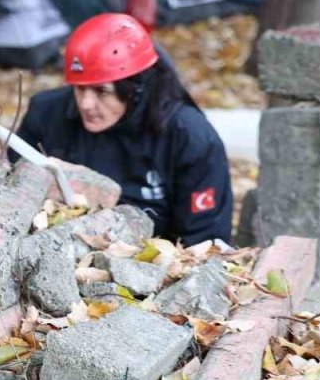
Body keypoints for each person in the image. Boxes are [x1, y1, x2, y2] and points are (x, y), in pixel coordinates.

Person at [16, 13, 233, 245]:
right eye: (79, 89)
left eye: (102, 91)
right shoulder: (46, 112)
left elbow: (206, 240)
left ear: (135, 87)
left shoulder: (189, 136)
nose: (86, 104)